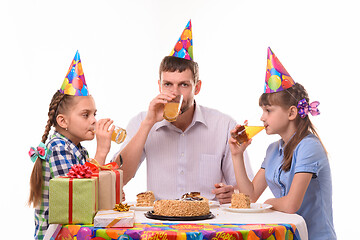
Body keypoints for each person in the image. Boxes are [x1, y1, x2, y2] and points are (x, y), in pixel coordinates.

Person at [112, 20, 253, 203]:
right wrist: (148, 124)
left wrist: (231, 193)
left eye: (184, 85)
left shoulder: (223, 124)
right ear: (159, 85)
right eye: (168, 84)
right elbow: (120, 178)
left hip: (209, 221)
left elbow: (243, 191)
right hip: (159, 221)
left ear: (197, 87)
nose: (175, 93)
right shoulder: (141, 121)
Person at [229, 47, 336, 239]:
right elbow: (249, 197)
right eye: (262, 110)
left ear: (292, 113)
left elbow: (290, 205)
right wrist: (237, 155)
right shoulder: (273, 150)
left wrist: (268, 202)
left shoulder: (309, 147)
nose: (262, 117)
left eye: (268, 110)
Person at [28, 51, 114, 239]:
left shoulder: (78, 150)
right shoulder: (58, 147)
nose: (93, 120)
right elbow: (76, 202)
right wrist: (101, 153)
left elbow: (89, 197)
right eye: (86, 115)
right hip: (57, 235)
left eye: (94, 114)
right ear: (63, 121)